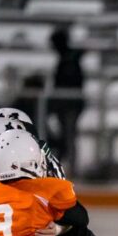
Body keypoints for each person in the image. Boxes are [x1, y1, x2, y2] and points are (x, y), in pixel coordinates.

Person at [49, 29, 84, 174]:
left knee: (69, 135)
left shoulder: (69, 59)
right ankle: (64, 165)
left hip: (70, 104)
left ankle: (72, 168)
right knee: (65, 135)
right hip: (64, 104)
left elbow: (70, 82)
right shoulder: (66, 58)